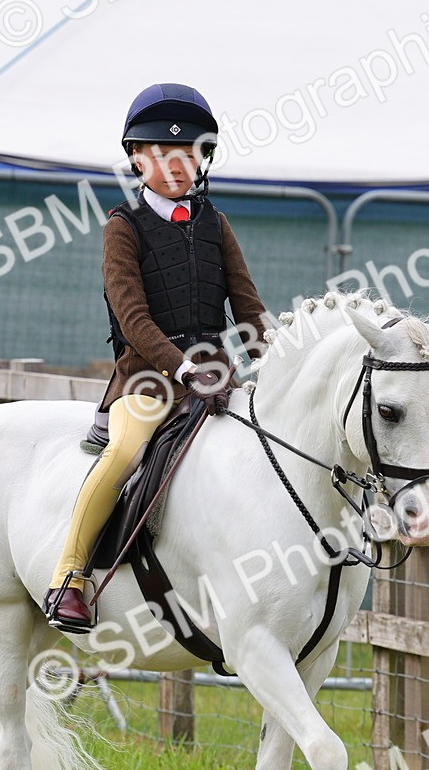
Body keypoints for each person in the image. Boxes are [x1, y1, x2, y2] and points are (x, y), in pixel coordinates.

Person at [44, 83, 268, 633]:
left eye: (189, 154)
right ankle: (69, 577)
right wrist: (185, 368)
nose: (177, 165)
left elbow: (247, 305)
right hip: (145, 381)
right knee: (124, 452)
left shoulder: (215, 223)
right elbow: (132, 319)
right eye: (164, 155)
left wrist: (276, 357)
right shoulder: (123, 227)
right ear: (138, 159)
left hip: (217, 380)